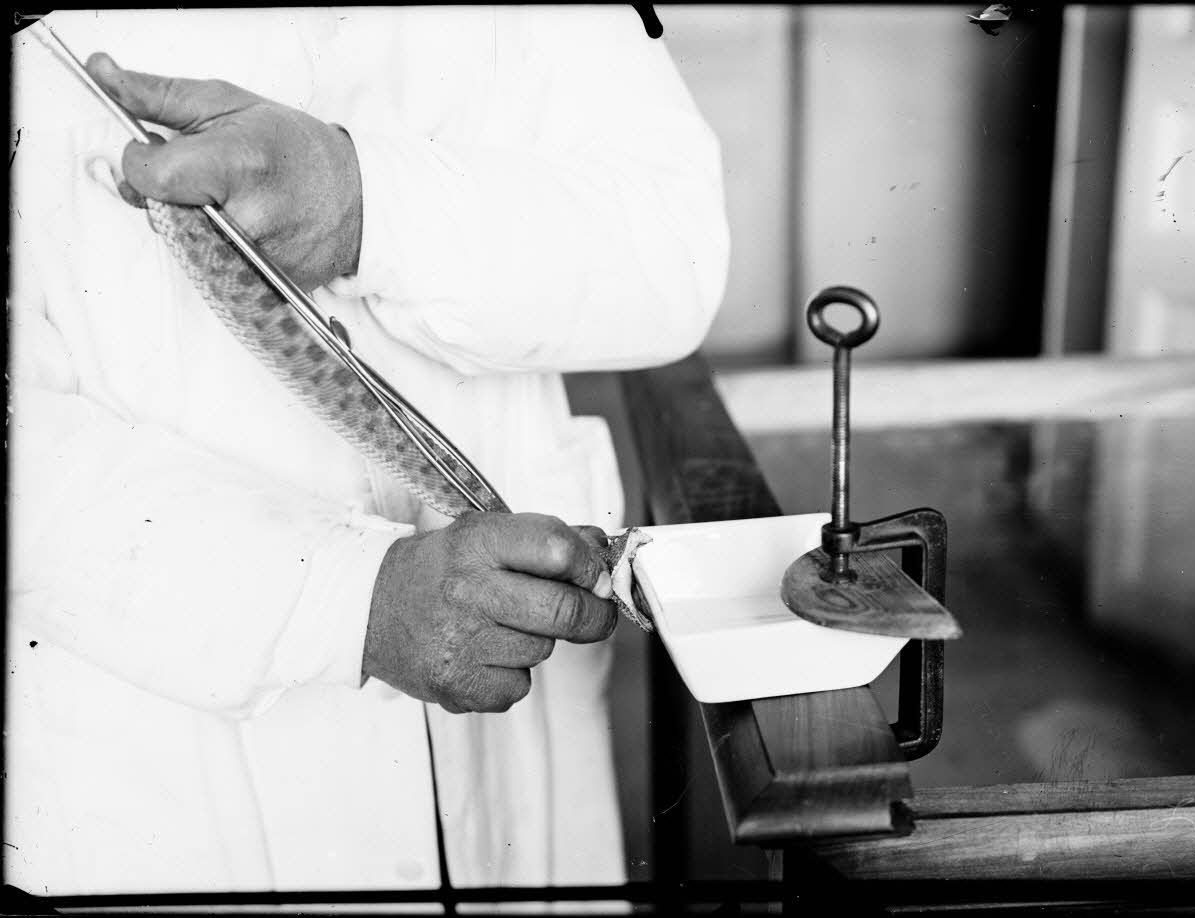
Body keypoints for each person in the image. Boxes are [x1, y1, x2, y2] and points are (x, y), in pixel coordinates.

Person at [5, 7, 729, 895]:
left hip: (511, 755)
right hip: (168, 762)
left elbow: (677, 248)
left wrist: (368, 203)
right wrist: (349, 598)